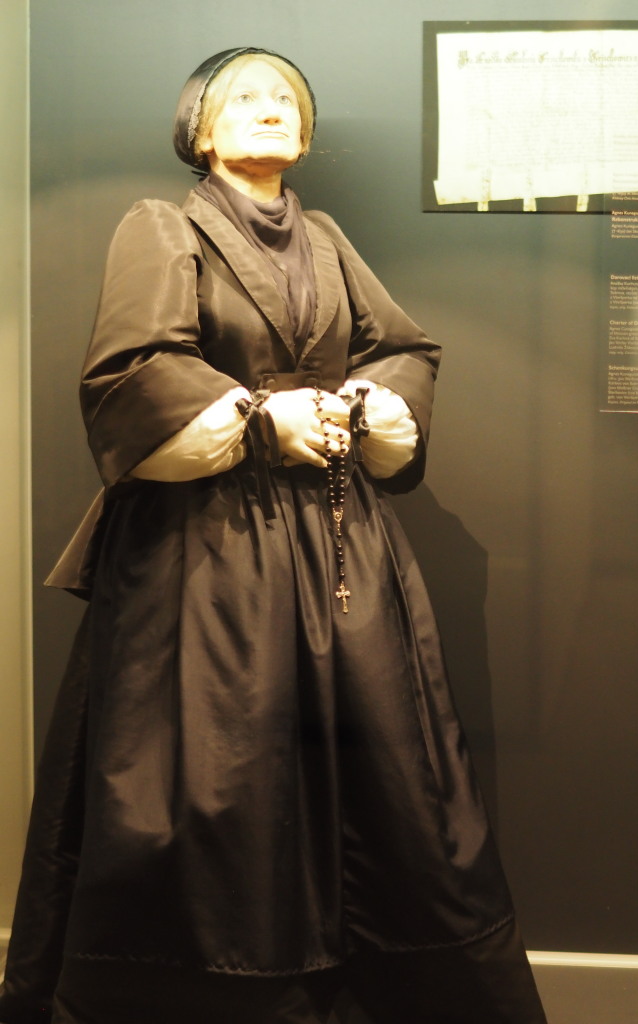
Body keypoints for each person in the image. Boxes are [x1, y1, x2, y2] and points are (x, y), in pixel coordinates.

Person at [0, 47, 547, 1024]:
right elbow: (131, 369)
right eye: (246, 96)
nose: (271, 108)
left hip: (339, 545)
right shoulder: (163, 226)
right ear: (199, 129)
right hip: (208, 550)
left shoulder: (325, 237)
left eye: (286, 98)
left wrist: (366, 404)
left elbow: (402, 347)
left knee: (382, 772)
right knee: (225, 769)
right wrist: (260, 421)